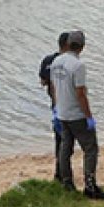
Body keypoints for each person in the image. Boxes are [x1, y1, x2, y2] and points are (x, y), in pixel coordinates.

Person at [51, 31, 104, 199]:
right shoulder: (78, 65)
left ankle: (67, 182)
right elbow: (80, 93)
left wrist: (56, 107)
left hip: (62, 113)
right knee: (91, 149)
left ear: (68, 44)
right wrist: (88, 116)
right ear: (82, 46)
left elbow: (54, 87)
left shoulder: (56, 61)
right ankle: (90, 186)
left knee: (65, 148)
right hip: (76, 114)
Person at [38, 33, 70, 180]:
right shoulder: (71, 61)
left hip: (55, 105)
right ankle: (63, 173)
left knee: (60, 139)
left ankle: (60, 172)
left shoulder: (48, 60)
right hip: (69, 105)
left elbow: (43, 81)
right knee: (67, 141)